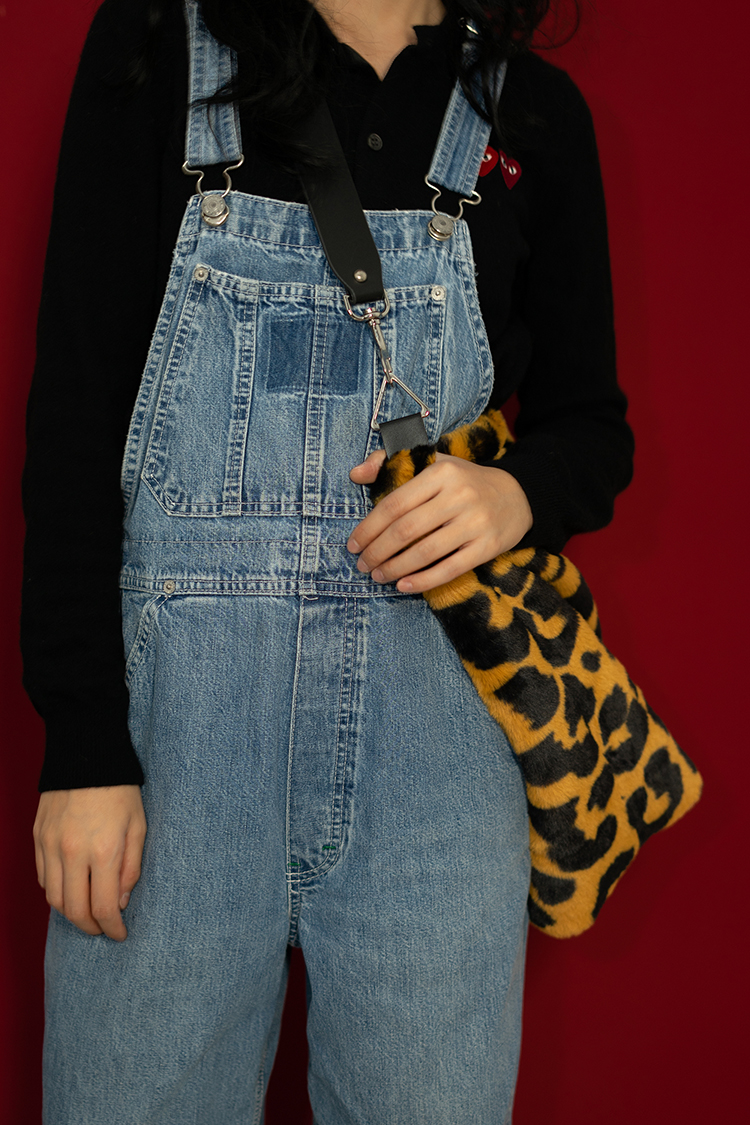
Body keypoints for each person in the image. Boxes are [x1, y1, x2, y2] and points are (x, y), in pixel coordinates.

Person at [23, 0, 634, 1120]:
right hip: (177, 752)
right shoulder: (160, 48)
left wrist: (516, 493)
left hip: (439, 755)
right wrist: (82, 748)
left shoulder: (531, 112)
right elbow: (74, 414)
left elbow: (593, 426)